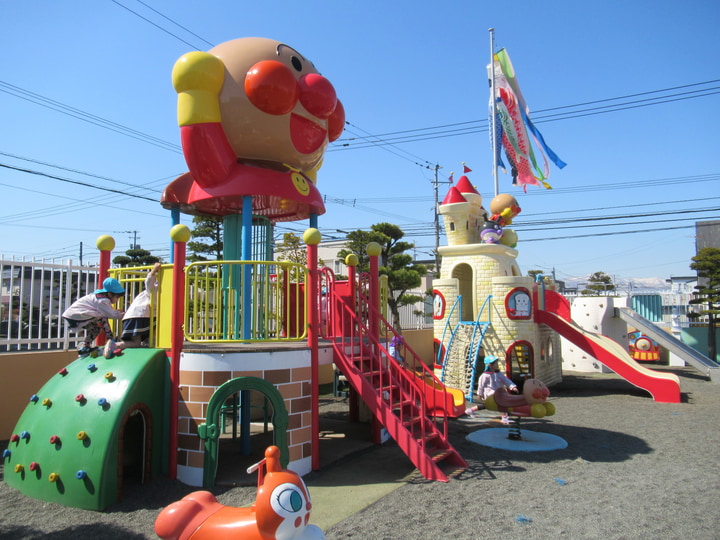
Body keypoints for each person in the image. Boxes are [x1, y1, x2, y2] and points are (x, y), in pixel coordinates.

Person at [62, 277, 126, 359]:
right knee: (103, 318)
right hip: (77, 315)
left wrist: (116, 312)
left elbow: (109, 311)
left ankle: (85, 348)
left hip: (72, 316)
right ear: (110, 294)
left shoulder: (100, 296)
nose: (117, 300)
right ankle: (112, 341)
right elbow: (113, 315)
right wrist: (123, 314)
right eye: (117, 297)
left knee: (96, 329)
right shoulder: (102, 301)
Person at [120, 262, 162, 349]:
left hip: (136, 316)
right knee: (136, 343)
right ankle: (115, 345)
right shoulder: (155, 290)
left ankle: (148, 341)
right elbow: (149, 281)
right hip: (139, 316)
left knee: (156, 324)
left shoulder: (157, 291)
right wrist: (154, 270)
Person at [465, 356, 518, 422]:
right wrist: (480, 394)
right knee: (501, 403)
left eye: (496, 363)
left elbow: (506, 380)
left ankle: (470, 410)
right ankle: (504, 417)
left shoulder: (498, 374)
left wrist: (512, 386)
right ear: (490, 365)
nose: (496, 365)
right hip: (490, 394)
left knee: (487, 405)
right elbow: (481, 385)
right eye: (495, 364)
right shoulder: (485, 376)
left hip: (499, 392)